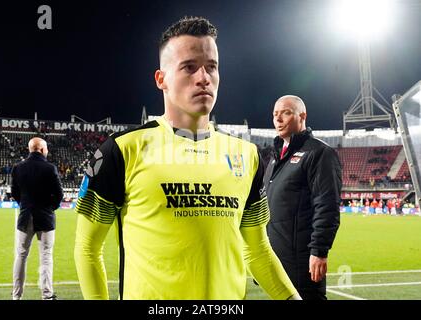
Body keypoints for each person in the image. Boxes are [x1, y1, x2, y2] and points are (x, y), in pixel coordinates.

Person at [74, 16, 300, 300]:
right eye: (189, 67)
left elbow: (258, 251)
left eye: (212, 67)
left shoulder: (247, 155)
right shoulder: (119, 150)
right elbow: (87, 248)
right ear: (161, 79)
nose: (204, 77)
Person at [263, 95, 342, 300]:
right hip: (276, 258)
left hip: (301, 259)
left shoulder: (319, 153)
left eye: (286, 113)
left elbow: (326, 205)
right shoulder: (275, 157)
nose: (278, 120)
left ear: (302, 116)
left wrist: (319, 251)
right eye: (275, 114)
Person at [11, 137, 63, 300]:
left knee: (21, 255)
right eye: (46, 149)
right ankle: (47, 295)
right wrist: (50, 207)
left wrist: (25, 205)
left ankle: (16, 296)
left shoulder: (18, 168)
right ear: (41, 149)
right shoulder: (50, 168)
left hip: (25, 217)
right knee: (46, 257)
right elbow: (59, 194)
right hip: (46, 218)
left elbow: (14, 193)